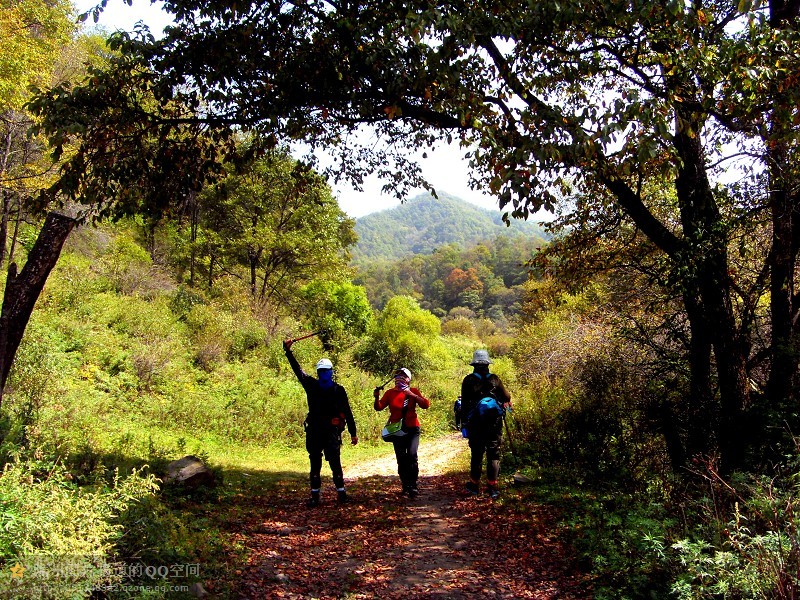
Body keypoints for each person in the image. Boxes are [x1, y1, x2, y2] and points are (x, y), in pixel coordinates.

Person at [283, 339, 358, 507]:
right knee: (333, 462)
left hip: (317, 431)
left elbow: (298, 371)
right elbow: (347, 411)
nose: (324, 374)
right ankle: (341, 494)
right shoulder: (337, 389)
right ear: (331, 371)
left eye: (325, 371)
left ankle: (316, 497)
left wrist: (288, 351)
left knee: (316, 462)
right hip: (328, 431)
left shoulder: (312, 385)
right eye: (324, 371)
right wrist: (353, 432)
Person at [460, 349, 511, 500]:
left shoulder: (468, 380)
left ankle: (474, 486)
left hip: (475, 423)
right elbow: (506, 396)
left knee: (477, 453)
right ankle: (492, 487)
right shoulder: (495, 379)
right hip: (494, 423)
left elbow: (464, 405)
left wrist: (464, 424)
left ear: (474, 364)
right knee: (493, 454)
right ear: (488, 364)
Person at [373, 368, 430, 498]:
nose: (400, 378)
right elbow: (379, 407)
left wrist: (412, 395)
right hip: (397, 430)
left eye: (403, 376)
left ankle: (413, 484)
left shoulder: (413, 391)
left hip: (412, 428)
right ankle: (405, 485)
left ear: (408, 379)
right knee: (401, 458)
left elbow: (425, 404)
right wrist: (376, 398)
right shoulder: (390, 393)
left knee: (412, 455)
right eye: (398, 375)